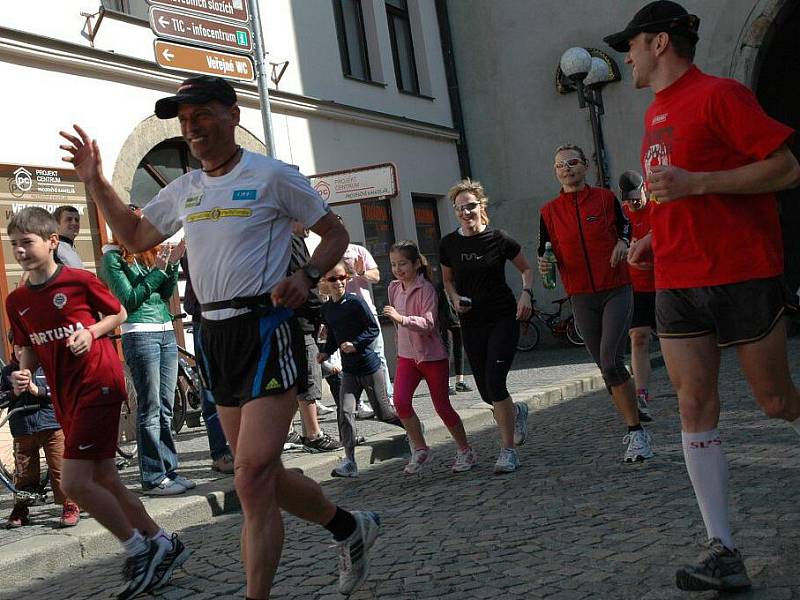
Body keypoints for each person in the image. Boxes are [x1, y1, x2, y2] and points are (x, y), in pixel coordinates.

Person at [59, 74, 379, 599]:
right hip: (214, 336)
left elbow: (335, 233)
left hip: (267, 329)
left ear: (232, 113)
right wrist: (95, 180)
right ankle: (349, 527)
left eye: (201, 115)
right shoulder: (184, 188)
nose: (192, 128)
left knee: (250, 476)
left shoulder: (274, 176)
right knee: (262, 475)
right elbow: (135, 236)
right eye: (184, 121)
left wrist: (304, 277)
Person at [604, 0, 800, 592]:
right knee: (693, 405)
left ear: (660, 42)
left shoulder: (721, 96)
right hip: (679, 279)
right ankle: (723, 549)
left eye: (632, 44)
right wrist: (651, 238)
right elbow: (674, 199)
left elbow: (786, 169)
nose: (628, 56)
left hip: (742, 271)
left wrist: (699, 183)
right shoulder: (654, 114)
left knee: (775, 402)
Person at [5, 207, 188, 599]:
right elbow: (27, 347)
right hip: (64, 394)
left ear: (52, 242)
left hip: (99, 384)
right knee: (105, 477)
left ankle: (139, 551)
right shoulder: (17, 300)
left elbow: (119, 312)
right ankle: (160, 542)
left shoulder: (78, 281)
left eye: (27, 242)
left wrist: (91, 332)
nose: (20, 250)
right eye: (14, 244)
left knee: (74, 481)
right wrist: (23, 372)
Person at [539, 144, 653, 463]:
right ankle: (633, 419)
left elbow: (626, 227)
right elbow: (544, 249)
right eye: (560, 165)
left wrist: (621, 241)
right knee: (605, 367)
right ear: (555, 171)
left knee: (611, 358)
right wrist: (545, 264)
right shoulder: (548, 211)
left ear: (585, 166)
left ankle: (636, 432)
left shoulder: (604, 199)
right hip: (580, 294)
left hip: (616, 287)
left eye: (572, 163)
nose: (566, 169)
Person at [439, 179, 533, 474]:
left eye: (470, 206)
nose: (466, 212)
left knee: (495, 382)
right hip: (471, 321)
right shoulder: (449, 244)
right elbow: (447, 281)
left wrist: (526, 294)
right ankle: (515, 412)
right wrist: (454, 299)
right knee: (483, 391)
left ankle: (508, 450)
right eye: (460, 208)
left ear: (482, 206)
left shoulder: (499, 239)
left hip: (502, 317)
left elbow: (527, 269)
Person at [101, 226, 195, 495]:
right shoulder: (113, 259)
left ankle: (169, 470)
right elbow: (129, 300)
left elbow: (164, 293)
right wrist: (158, 271)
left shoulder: (148, 253)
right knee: (150, 406)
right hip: (140, 332)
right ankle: (153, 477)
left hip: (165, 329)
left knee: (167, 405)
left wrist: (172, 263)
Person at [383, 241, 476, 474]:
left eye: (402, 263)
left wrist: (401, 318)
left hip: (432, 356)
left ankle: (465, 450)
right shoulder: (394, 287)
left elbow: (428, 323)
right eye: (393, 264)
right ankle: (420, 448)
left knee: (442, 406)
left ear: (416, 263)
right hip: (406, 356)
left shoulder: (426, 289)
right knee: (401, 403)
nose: (398, 269)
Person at [317, 261, 404, 478]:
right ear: (325, 283)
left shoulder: (355, 303)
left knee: (383, 413)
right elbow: (334, 335)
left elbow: (373, 329)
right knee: (345, 412)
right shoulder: (327, 309)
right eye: (333, 279)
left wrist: (356, 344)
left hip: (369, 367)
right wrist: (326, 352)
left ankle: (413, 428)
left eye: (342, 278)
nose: (338, 282)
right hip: (350, 372)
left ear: (347, 278)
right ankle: (350, 461)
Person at [1, 331, 79, 528]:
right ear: (13, 349)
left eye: (27, 349)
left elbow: (64, 392)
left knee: (59, 467)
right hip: (22, 428)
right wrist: (13, 393)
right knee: (24, 471)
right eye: (18, 348)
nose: (22, 353)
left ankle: (70, 503)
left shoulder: (48, 366)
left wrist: (40, 391)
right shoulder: (8, 372)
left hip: (51, 425)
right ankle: (21, 507)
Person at [287, 221, 342, 453]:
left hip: (293, 320)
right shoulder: (289, 242)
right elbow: (302, 286)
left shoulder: (289, 240)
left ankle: (288, 431)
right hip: (298, 322)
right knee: (307, 378)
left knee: (292, 380)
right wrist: (323, 311)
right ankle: (313, 434)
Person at [181, 254, 234, 475]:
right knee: (212, 389)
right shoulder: (197, 241)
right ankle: (220, 453)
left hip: (233, 319)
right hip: (205, 320)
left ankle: (242, 450)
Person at [619, 171, 657, 422]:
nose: (634, 203)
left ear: (645, 188)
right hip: (636, 288)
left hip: (664, 284)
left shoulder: (656, 208)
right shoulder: (622, 215)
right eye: (629, 199)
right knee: (639, 338)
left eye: (637, 197)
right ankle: (641, 394)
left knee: (676, 341)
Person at [342, 236, 391, 417]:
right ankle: (360, 404)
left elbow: (377, 276)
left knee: (378, 354)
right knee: (349, 360)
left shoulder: (358, 250)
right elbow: (322, 285)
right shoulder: (326, 254)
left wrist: (360, 273)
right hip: (343, 313)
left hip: (365, 311)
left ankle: (387, 398)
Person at [437, 282, 472, 395]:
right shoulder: (441, 285)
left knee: (458, 349)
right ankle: (445, 383)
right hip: (446, 320)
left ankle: (459, 381)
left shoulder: (458, 283)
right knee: (447, 350)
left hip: (457, 319)